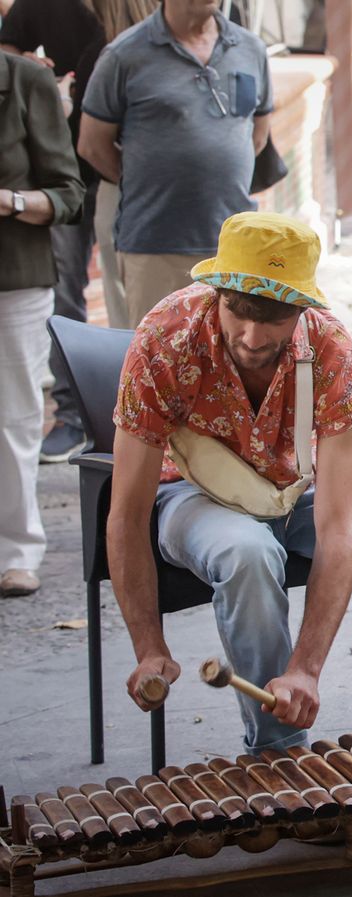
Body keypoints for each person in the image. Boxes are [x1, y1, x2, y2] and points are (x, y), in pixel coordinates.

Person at [108, 212, 352, 754]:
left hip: (295, 486)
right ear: (218, 291)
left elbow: (338, 526)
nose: (251, 337)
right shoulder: (164, 339)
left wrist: (306, 670)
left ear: (302, 309)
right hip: (191, 492)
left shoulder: (332, 353)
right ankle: (278, 751)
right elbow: (127, 514)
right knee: (248, 553)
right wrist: (148, 647)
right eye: (239, 312)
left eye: (273, 318)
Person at [78, 0, 272, 329]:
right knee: (157, 365)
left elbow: (258, 135)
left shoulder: (250, 48)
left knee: (233, 364)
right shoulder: (124, 54)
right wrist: (150, 180)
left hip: (233, 246)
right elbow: (92, 145)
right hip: (154, 245)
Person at [0, 0, 105, 463]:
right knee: (68, 294)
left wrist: (13, 201)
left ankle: (91, 418)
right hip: (73, 159)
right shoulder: (34, 8)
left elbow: (68, 193)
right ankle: (72, 414)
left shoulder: (124, 9)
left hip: (115, 171)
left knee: (84, 302)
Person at [0, 49, 85, 598]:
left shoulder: (24, 79)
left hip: (14, 280)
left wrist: (7, 200)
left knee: (13, 419)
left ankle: (17, 552)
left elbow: (69, 194)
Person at [79, 0, 158, 333]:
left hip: (123, 196)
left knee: (127, 322)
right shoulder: (118, 57)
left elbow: (88, 145)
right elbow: (92, 145)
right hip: (128, 197)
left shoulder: (110, 56)